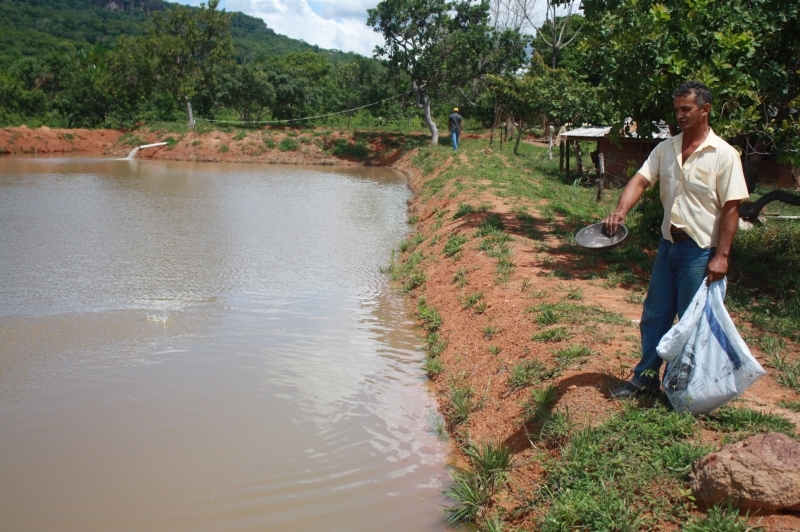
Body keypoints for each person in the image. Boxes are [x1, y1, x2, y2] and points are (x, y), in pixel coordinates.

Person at [604, 81, 750, 399]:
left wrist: (722, 256)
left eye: (686, 109)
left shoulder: (724, 155)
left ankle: (679, 388)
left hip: (700, 251)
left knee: (690, 323)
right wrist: (620, 209)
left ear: (705, 110)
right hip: (668, 246)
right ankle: (645, 377)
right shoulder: (666, 149)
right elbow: (641, 180)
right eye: (677, 110)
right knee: (655, 315)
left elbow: (731, 208)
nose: (680, 115)